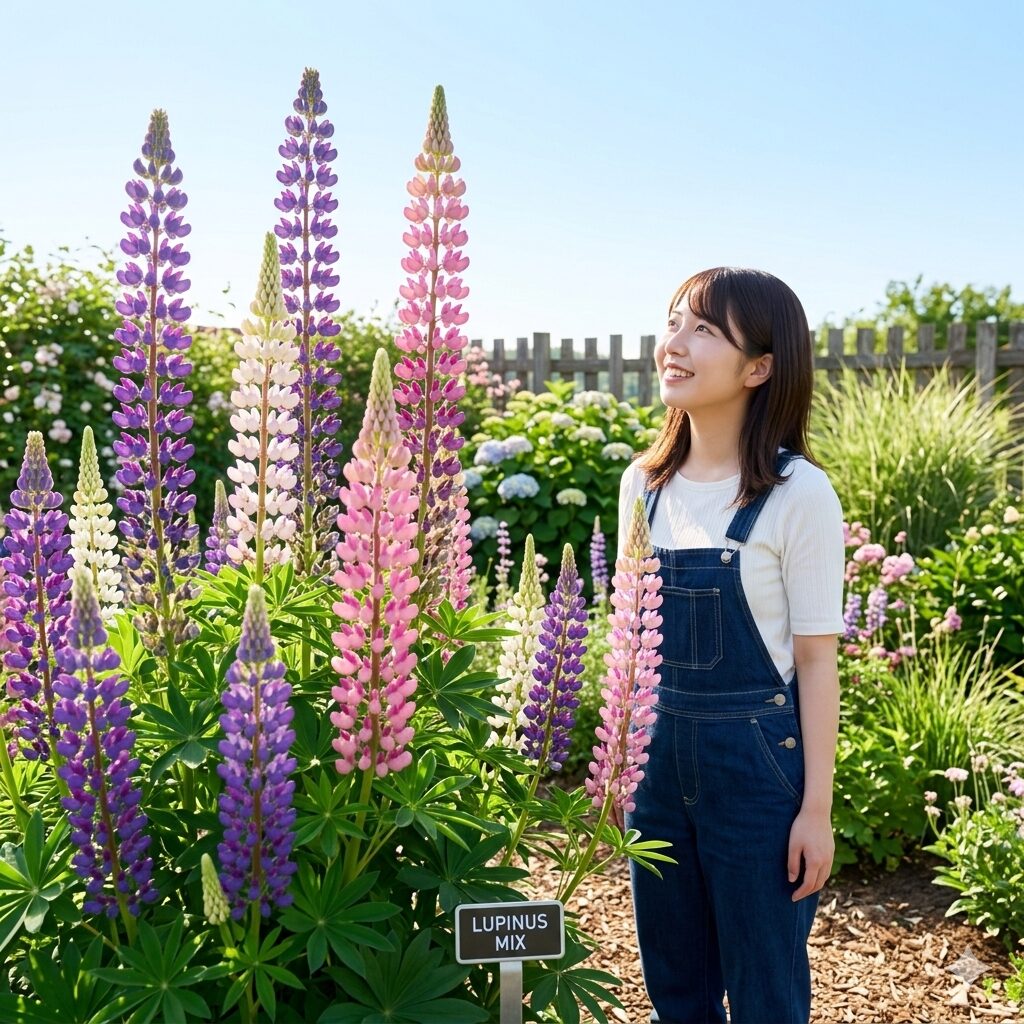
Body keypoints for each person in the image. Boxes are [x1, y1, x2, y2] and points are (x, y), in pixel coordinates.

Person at [616, 267, 843, 1024]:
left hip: (757, 777)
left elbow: (815, 661)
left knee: (766, 995)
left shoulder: (797, 494)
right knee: (675, 994)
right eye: (674, 321)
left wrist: (816, 810)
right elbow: (630, 648)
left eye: (703, 330)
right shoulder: (641, 487)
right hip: (653, 768)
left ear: (760, 367)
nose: (674, 344)